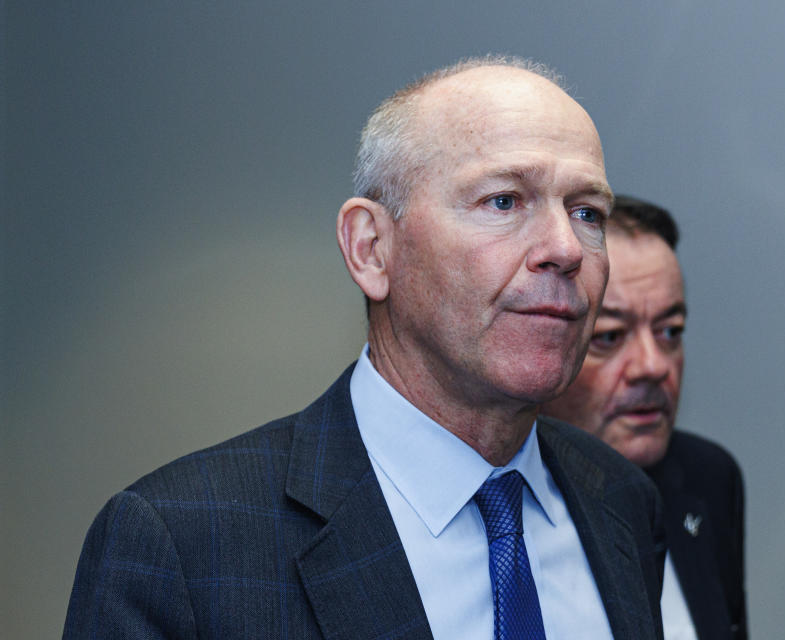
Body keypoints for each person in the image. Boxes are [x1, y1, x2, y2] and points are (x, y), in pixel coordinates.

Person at [63, 58, 666, 639]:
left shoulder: (620, 499)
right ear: (371, 249)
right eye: (503, 201)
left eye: (587, 212)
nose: (565, 247)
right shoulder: (184, 544)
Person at [543, 195, 747, 640]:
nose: (654, 366)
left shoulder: (707, 478)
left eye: (670, 331)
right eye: (610, 336)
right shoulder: (499, 509)